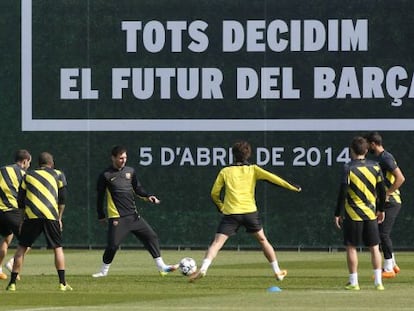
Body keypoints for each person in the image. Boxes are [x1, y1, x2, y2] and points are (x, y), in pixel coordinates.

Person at [189, 141, 301, 282]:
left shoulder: (225, 171)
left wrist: (221, 206)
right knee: (262, 240)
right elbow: (274, 178)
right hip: (250, 213)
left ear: (233, 155)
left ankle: (203, 269)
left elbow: (214, 193)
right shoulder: (253, 169)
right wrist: (292, 187)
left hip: (231, 213)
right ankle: (277, 272)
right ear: (248, 155)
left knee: (216, 243)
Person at [92, 145, 177, 278]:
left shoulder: (130, 171)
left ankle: (162, 267)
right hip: (117, 218)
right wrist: (101, 215)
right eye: (120, 158)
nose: (123, 160)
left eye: (125, 157)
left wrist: (148, 196)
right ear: (113, 158)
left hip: (133, 217)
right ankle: (103, 271)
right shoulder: (105, 175)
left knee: (151, 236)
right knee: (113, 246)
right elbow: (100, 197)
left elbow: (138, 189)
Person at [6, 152, 72, 291]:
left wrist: (23, 217)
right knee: (57, 248)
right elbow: (63, 199)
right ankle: (62, 283)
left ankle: (12, 283)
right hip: (51, 215)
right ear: (51, 163)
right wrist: (59, 217)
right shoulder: (58, 174)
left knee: (21, 248)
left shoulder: (27, 175)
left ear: (38, 163)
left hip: (32, 216)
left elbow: (20, 199)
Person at [334, 136, 386, 291]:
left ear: (352, 150)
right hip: (370, 214)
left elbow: (343, 192)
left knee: (351, 247)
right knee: (374, 248)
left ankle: (354, 282)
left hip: (353, 214)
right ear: (366, 150)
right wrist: (381, 209)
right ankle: (378, 282)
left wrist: (337, 213)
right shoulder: (375, 166)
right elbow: (382, 191)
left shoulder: (348, 167)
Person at [365, 132, 405, 278]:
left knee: (382, 233)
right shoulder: (382, 158)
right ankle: (392, 264)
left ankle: (388, 268)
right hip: (387, 202)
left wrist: (387, 194)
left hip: (391, 202)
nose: (366, 147)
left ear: (373, 144)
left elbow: (400, 178)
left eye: (367, 144)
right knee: (381, 232)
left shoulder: (385, 158)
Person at [0, 150, 32, 280]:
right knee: (28, 239)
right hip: (12, 211)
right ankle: (13, 263)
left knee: (6, 238)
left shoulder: (2, 170)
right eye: (29, 163)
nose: (29, 165)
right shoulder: (24, 174)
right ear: (25, 161)